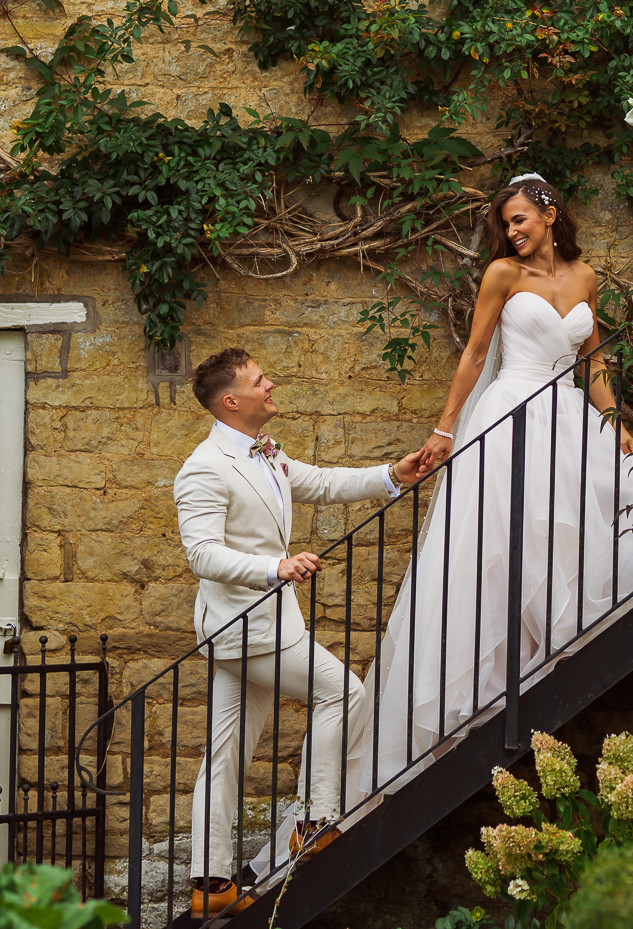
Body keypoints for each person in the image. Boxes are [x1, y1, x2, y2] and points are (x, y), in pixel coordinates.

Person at [339, 173, 633, 809]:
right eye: (506, 224)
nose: (513, 232)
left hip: (570, 418)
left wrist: (616, 424)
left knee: (569, 530)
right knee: (502, 541)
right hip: (508, 417)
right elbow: (473, 356)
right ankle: (486, 684)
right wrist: (445, 429)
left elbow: (595, 361)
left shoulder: (584, 276)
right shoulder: (501, 274)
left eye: (521, 219)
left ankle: (549, 649)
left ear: (550, 213)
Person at [174, 347, 429, 917]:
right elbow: (202, 555)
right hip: (251, 629)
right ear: (232, 400)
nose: (272, 385)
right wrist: (276, 569)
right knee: (342, 689)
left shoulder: (265, 452)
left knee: (225, 755)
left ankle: (210, 886)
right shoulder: (203, 468)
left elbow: (315, 481)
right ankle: (315, 820)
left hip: (256, 629)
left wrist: (391, 476)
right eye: (260, 380)